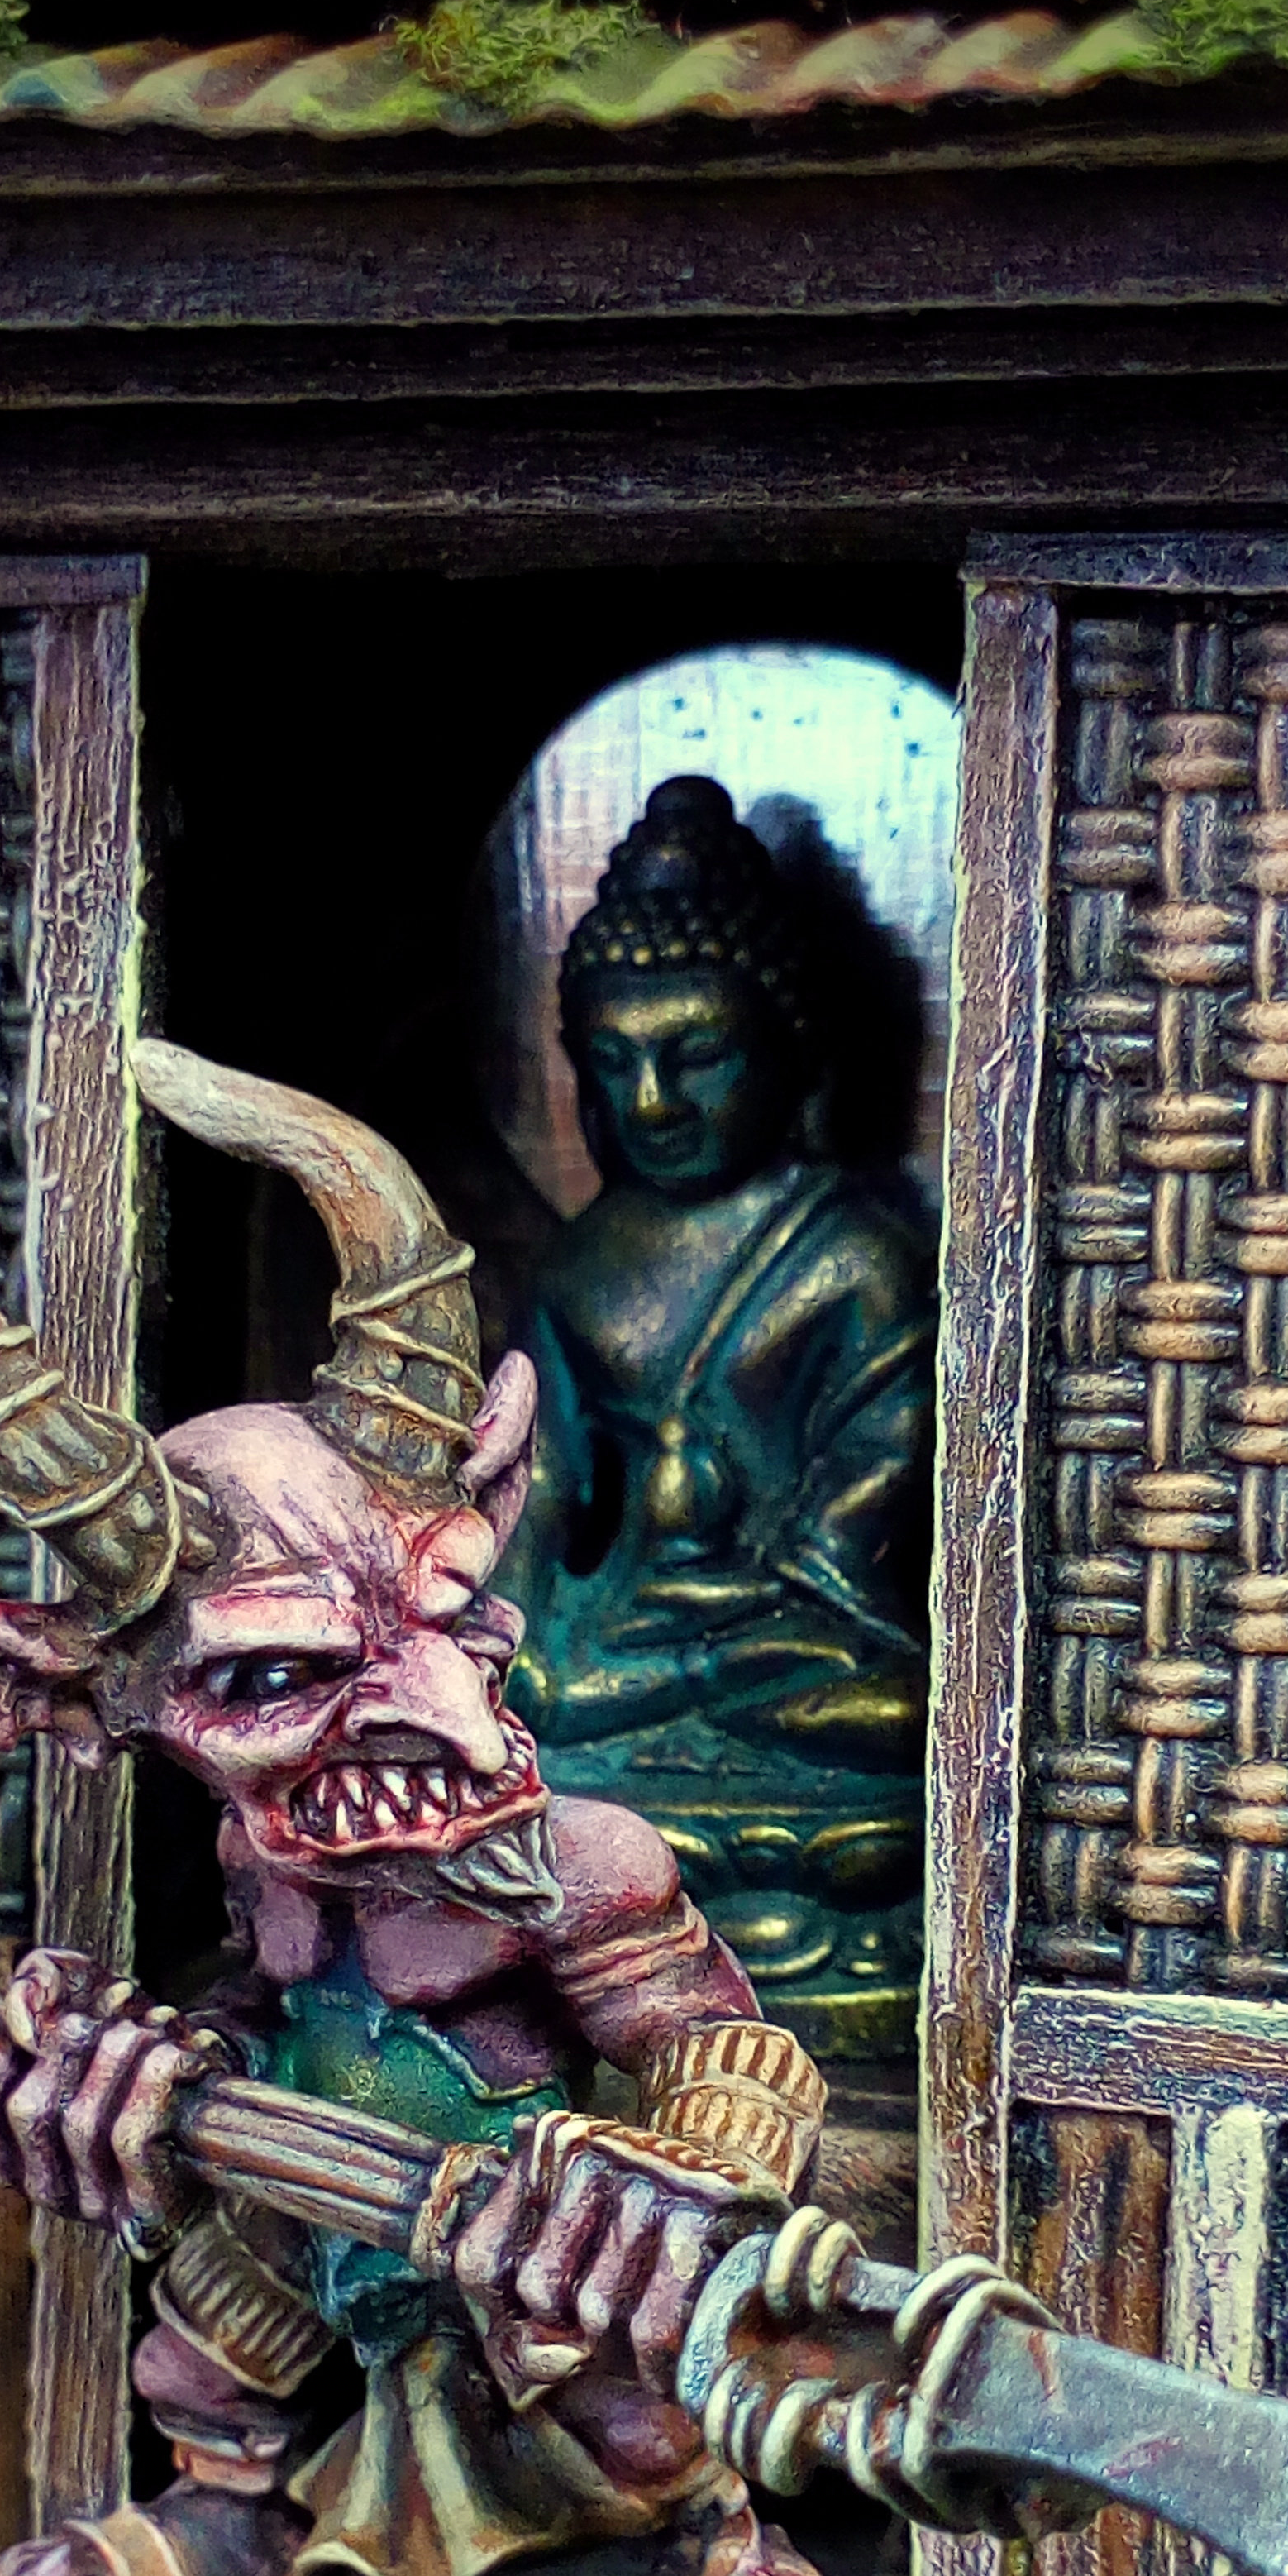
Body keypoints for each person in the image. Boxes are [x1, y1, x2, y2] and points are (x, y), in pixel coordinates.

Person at [502, 777, 934, 2059]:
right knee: (519, 1722)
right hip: (624, 1652)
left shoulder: (858, 1258)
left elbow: (876, 1498)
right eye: (616, 1062)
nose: (655, 1101)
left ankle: (630, 1898)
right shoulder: (580, 1268)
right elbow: (539, 1494)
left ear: (787, 1052)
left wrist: (737, 1628)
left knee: (898, 1735)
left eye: (696, 1056)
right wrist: (513, 1647)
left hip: (791, 1648)